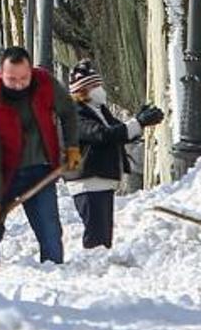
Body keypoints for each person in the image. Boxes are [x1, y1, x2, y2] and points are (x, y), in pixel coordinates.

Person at [0, 46, 81, 271]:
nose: (19, 84)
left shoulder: (44, 83)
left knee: (50, 230)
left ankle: (54, 277)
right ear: (1, 73)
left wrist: (72, 146)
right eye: (12, 79)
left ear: (31, 71)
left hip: (39, 170)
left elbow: (68, 111)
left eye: (24, 78)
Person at [66, 60, 163, 249]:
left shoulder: (99, 109)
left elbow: (118, 132)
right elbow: (102, 135)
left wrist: (139, 120)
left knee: (104, 235)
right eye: (94, 86)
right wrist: (138, 123)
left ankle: (99, 267)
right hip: (87, 181)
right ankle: (93, 271)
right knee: (96, 236)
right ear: (82, 90)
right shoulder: (74, 114)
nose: (99, 89)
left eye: (99, 85)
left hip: (102, 180)